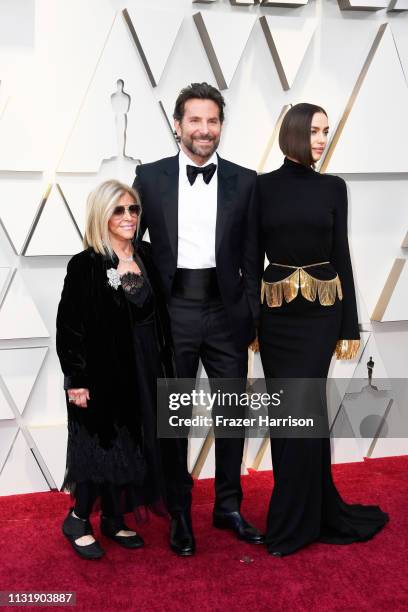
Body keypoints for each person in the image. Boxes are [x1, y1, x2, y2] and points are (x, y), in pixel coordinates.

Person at [133, 82, 263, 556]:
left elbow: (253, 254)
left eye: (212, 121)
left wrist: (249, 315)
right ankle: (179, 512)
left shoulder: (246, 180)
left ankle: (228, 506)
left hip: (227, 314)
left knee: (233, 414)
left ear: (221, 126)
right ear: (177, 125)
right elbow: (131, 241)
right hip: (173, 314)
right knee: (176, 419)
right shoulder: (149, 177)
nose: (204, 130)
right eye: (195, 120)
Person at [258, 103, 389, 556]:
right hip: (275, 319)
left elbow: (341, 255)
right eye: (314, 130)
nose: (321, 139)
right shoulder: (262, 188)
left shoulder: (334, 187)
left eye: (326, 132)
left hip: (319, 318)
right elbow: (251, 256)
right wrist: (252, 322)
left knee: (306, 411)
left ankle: (302, 520)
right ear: (293, 132)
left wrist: (349, 325)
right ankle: (297, 516)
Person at [56, 180, 175, 559]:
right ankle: (77, 518)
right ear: (103, 216)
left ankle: (111, 515)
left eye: (133, 209)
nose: (129, 217)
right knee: (101, 447)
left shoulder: (147, 256)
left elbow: (157, 315)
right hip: (103, 376)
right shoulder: (87, 264)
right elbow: (69, 328)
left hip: (145, 368)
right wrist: (76, 381)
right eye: (119, 210)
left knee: (134, 445)